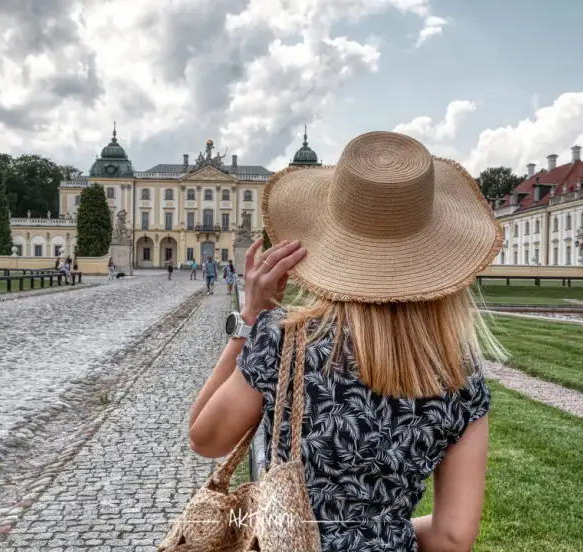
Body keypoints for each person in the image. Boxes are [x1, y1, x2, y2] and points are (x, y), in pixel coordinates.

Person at [188, 131, 505, 552]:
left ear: (330, 237)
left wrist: (249, 318)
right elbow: (452, 536)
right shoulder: (458, 376)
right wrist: (376, 535)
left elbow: (205, 438)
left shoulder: (287, 340)